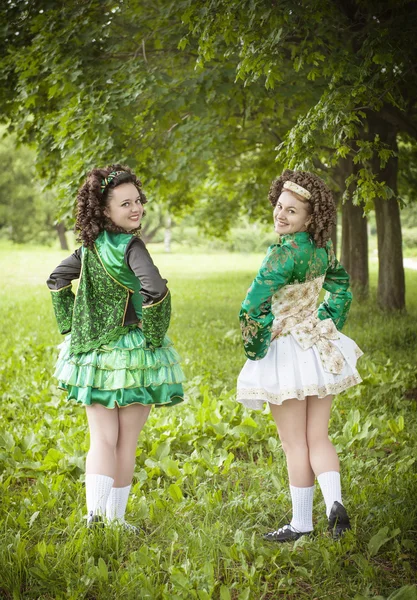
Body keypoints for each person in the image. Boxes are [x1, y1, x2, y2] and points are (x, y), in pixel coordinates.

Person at [47, 164, 185, 531]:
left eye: (137, 201)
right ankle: (114, 519)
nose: (135, 208)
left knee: (102, 440)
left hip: (95, 354)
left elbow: (57, 278)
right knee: (125, 443)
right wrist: (154, 336)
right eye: (125, 204)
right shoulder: (131, 245)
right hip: (136, 354)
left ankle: (94, 515)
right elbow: (154, 289)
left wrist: (73, 325)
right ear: (105, 211)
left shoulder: (89, 249)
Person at [237, 169, 363, 542]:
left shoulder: (280, 256)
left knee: (295, 443)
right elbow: (341, 287)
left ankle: (301, 523)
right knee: (318, 437)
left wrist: (257, 346)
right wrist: (328, 319)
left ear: (310, 218)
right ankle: (334, 505)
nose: (281, 214)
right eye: (279, 206)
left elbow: (252, 306)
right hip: (317, 350)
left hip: (288, 352)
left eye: (291, 211)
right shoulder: (322, 250)